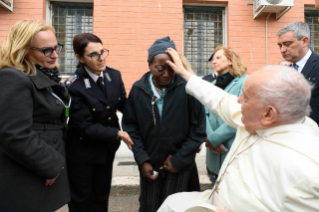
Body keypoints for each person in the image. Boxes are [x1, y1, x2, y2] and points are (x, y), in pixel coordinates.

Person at [157, 48, 319, 212]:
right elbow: (221, 99)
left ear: (269, 114)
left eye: (246, 97)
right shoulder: (263, 117)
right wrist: (184, 73)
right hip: (210, 201)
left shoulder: (308, 170)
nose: (238, 100)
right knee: (172, 202)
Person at [122, 36, 206, 212]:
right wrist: (142, 160)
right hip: (150, 164)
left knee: (178, 207)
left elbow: (198, 130)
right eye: (160, 69)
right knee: (150, 206)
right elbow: (131, 128)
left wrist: (179, 159)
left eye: (171, 69)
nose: (166, 74)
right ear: (149, 64)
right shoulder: (138, 90)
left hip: (181, 166)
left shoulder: (188, 89)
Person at [0, 20, 70, 212]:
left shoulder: (44, 75)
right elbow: (14, 134)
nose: (55, 54)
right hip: (27, 177)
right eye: (46, 50)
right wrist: (51, 165)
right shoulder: (13, 77)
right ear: (23, 50)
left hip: (38, 174)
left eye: (56, 47)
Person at [66, 33, 133, 212]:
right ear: (80, 58)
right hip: (82, 154)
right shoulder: (74, 86)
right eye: (94, 54)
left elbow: (125, 106)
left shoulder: (114, 76)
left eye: (102, 51)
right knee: (82, 201)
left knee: (101, 197)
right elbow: (84, 127)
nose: (101, 57)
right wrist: (118, 133)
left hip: (106, 149)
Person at [204, 46, 248, 183]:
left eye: (218, 58)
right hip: (212, 151)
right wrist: (210, 137)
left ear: (230, 60)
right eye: (213, 59)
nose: (214, 61)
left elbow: (243, 114)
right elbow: (204, 112)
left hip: (232, 147)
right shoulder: (211, 84)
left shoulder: (245, 81)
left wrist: (215, 138)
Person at [277, 22, 319, 125]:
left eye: (287, 44)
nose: (282, 50)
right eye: (280, 45)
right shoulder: (285, 70)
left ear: (304, 41)